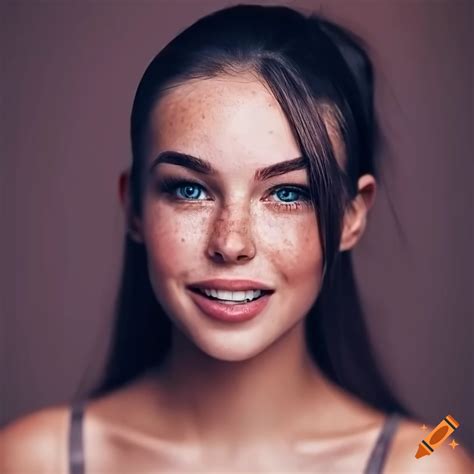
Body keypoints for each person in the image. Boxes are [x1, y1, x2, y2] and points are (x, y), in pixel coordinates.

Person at [1, 4, 472, 473]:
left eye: (287, 193)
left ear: (352, 216)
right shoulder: (35, 460)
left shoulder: (420, 463)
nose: (230, 243)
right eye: (189, 189)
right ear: (135, 207)